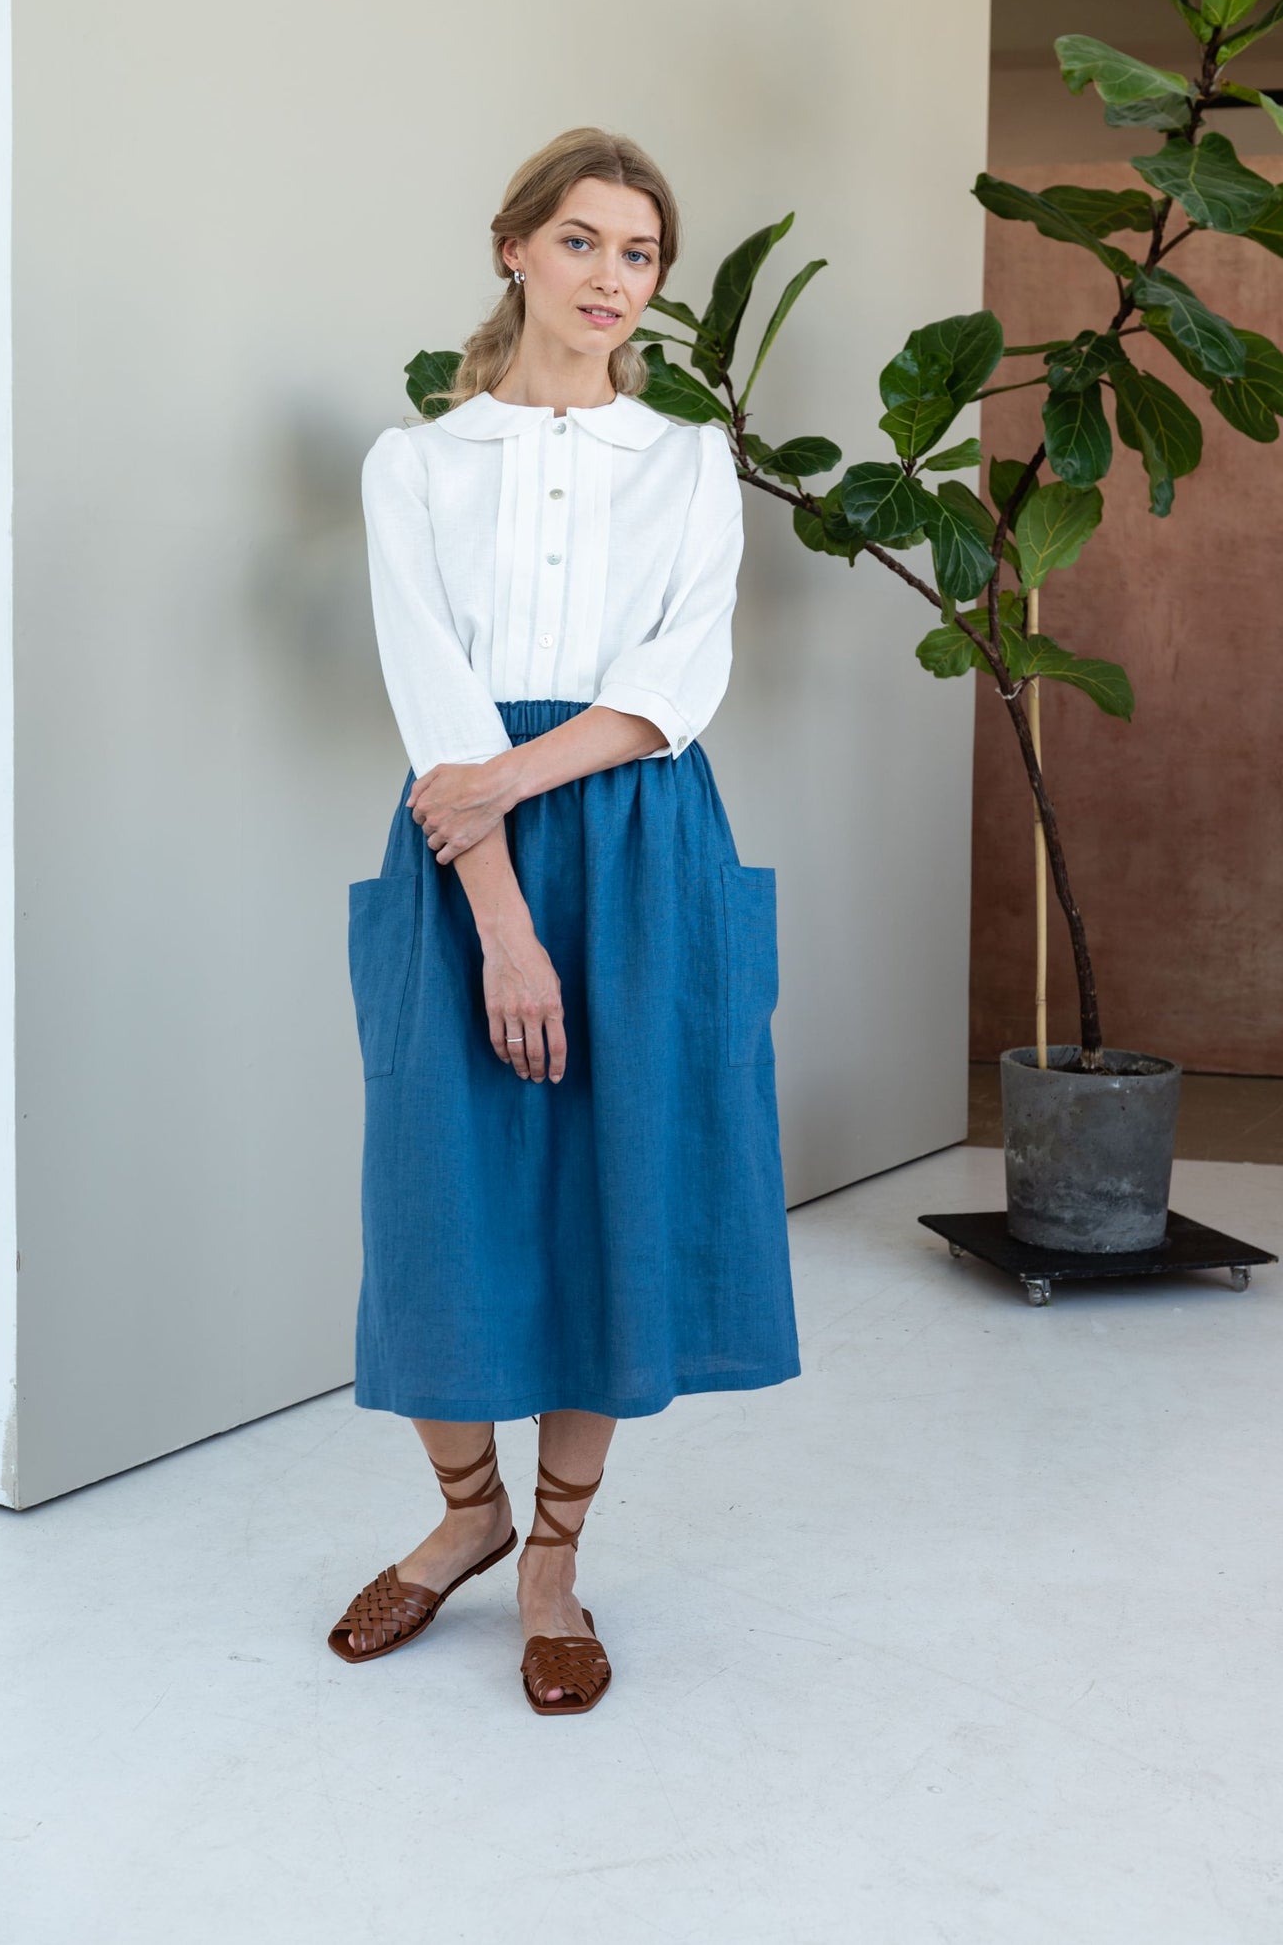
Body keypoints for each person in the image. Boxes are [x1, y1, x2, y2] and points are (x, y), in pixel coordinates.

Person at [328, 126, 800, 1714]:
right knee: (440, 1185)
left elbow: (678, 678)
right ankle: (461, 1515)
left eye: (641, 253)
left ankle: (550, 1555)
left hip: (635, 834)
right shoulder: (416, 463)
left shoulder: (685, 460)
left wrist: (505, 783)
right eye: (584, 242)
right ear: (512, 246)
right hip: (464, 852)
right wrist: (498, 908)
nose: (613, 278)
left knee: (615, 1181)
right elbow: (425, 680)